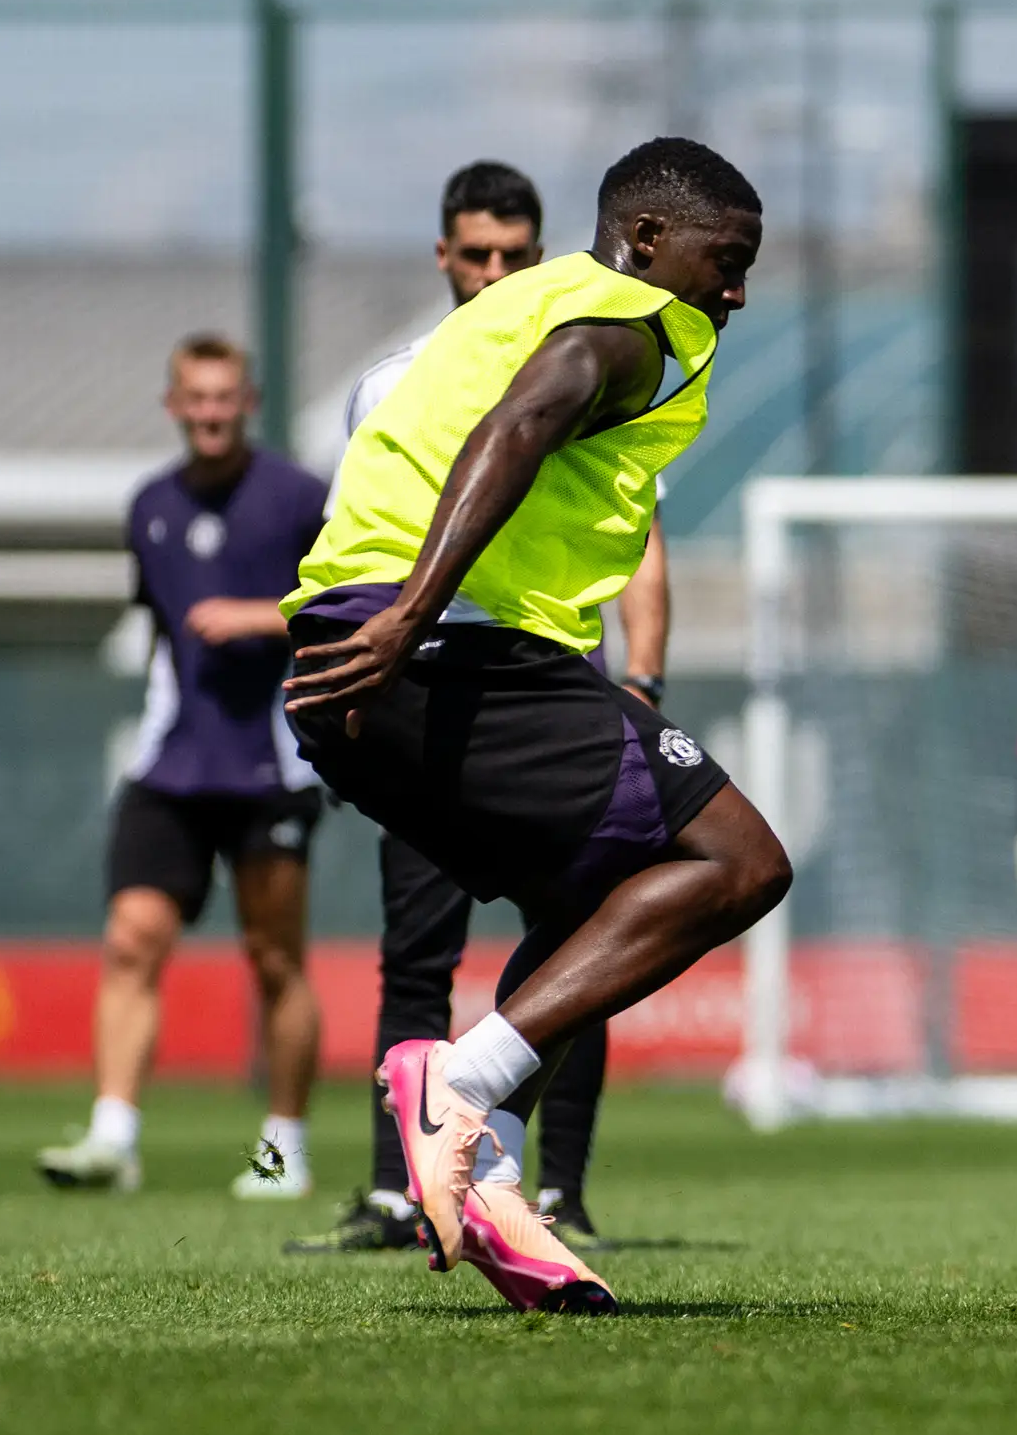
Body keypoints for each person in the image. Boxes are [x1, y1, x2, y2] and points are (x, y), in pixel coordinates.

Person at [282, 136, 789, 1314]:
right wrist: (411, 614)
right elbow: (516, 429)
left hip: (350, 658)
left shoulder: (536, 298)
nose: (739, 290)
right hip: (437, 646)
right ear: (651, 239)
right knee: (740, 860)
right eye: (729, 257)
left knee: (593, 902)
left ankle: (490, 1174)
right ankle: (464, 1092)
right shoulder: (637, 321)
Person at [292, 160, 666, 1257]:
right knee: (421, 952)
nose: (494, 270)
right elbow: (353, 540)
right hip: (432, 691)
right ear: (445, 258)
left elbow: (643, 540)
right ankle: (405, 1187)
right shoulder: (394, 382)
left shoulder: (591, 358)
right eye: (477, 254)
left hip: (550, 688)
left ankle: (555, 1189)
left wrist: (643, 673)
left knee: (592, 917)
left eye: (515, 254)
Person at [39, 336, 333, 1197]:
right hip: (170, 764)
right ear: (172, 404)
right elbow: (162, 633)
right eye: (195, 398)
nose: (209, 413)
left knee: (274, 960)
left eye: (225, 397)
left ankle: (283, 1151)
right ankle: (113, 1137)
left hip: (270, 762)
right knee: (132, 938)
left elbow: (354, 607)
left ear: (251, 401)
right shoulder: (150, 506)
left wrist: (258, 617)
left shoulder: (300, 499)